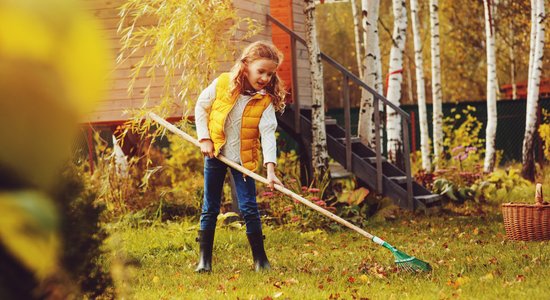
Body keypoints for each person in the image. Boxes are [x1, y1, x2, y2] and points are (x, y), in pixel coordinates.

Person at [194, 41, 286, 273]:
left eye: (270, 74)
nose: (265, 77)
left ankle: (260, 261)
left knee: (249, 207)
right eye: (260, 71)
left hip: (243, 160)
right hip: (216, 154)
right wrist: (204, 138)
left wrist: (271, 171)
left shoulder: (265, 101)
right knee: (210, 207)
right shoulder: (223, 84)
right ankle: (204, 261)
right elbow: (201, 107)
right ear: (245, 66)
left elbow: (267, 135)